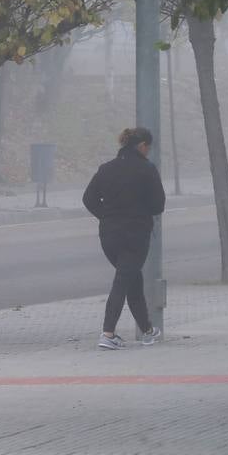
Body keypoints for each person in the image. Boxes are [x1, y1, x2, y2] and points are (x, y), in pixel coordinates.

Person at [83, 126, 166, 349]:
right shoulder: (146, 169)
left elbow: (88, 199)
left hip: (109, 235)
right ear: (142, 146)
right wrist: (140, 210)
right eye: (148, 147)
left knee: (131, 279)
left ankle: (147, 331)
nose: (149, 151)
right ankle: (108, 333)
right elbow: (158, 205)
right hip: (135, 235)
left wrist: (106, 216)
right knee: (123, 281)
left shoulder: (106, 169)